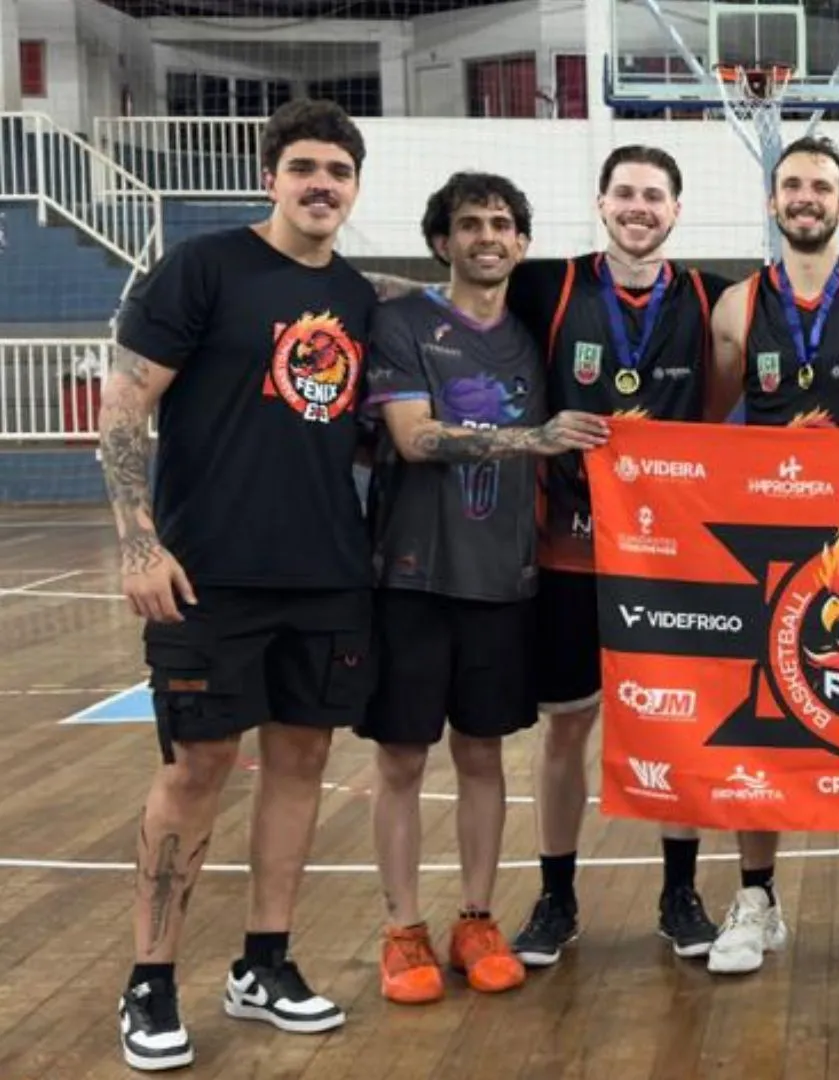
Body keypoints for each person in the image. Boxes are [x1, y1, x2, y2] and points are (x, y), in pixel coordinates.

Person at [102, 99, 378, 1072]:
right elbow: (126, 405)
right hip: (207, 575)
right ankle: (151, 981)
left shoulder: (357, 296)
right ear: (271, 176)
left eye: (337, 172)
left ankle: (265, 963)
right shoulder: (204, 268)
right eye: (304, 167)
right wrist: (138, 542)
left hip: (327, 575)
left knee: (299, 765)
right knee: (196, 769)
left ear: (353, 187)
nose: (320, 185)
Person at [358, 172, 610, 1005]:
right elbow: (414, 436)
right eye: (469, 225)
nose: (488, 237)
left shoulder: (535, 336)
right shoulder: (402, 322)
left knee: (483, 755)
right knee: (399, 758)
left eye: (503, 224)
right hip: (412, 578)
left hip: (504, 582)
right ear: (443, 242)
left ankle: (475, 917)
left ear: (523, 243)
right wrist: (531, 437)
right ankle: (401, 928)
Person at [500, 146, 734, 967]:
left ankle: (680, 892)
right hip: (568, 552)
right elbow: (451, 311)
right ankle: (556, 896)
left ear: (676, 210)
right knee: (564, 732)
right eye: (625, 193)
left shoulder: (713, 299)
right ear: (601, 203)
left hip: (669, 559)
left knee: (679, 731)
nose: (639, 207)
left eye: (654, 196)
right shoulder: (546, 287)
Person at [704, 135, 839, 975]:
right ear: (773, 202)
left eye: (822, 187)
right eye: (792, 184)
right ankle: (757, 897)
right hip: (765, 553)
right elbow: (706, 423)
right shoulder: (735, 306)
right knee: (759, 723)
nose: (806, 197)